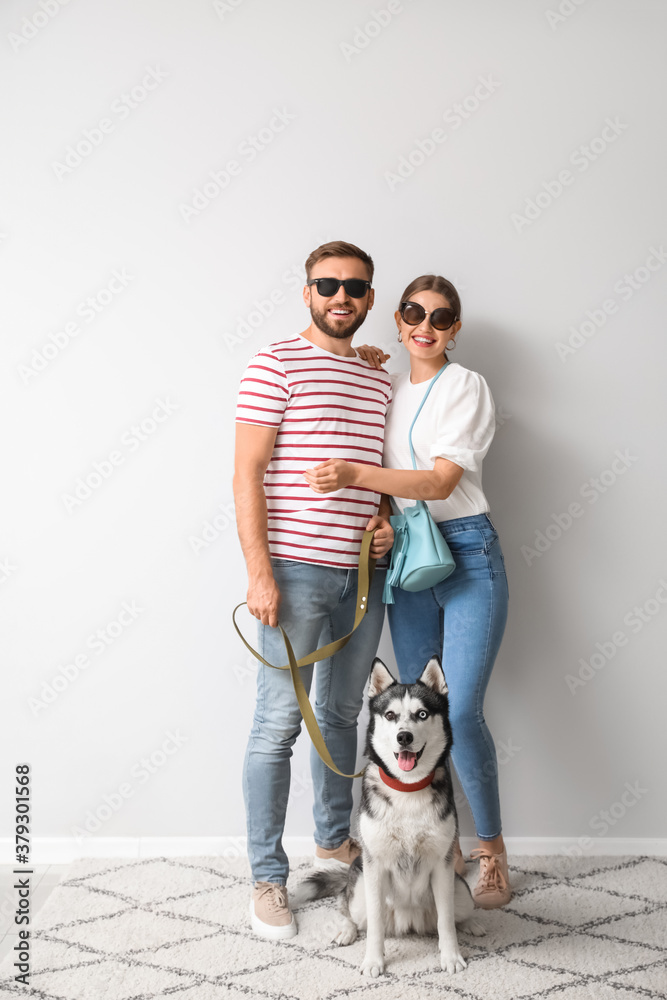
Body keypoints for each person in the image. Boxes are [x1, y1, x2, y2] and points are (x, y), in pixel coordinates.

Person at [303, 273, 512, 909]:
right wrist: (385, 521)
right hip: (411, 564)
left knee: (461, 710)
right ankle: (432, 852)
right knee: (412, 712)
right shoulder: (386, 387)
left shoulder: (466, 386)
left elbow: (441, 482)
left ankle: (491, 854)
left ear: (455, 329)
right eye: (414, 313)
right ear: (396, 319)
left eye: (441, 317)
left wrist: (355, 475)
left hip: (468, 554)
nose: (426, 326)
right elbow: (394, 492)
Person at [233, 240, 395, 940]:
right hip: (293, 575)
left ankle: (333, 842)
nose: (340, 297)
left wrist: (384, 522)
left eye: (354, 288)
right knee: (277, 725)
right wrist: (259, 572)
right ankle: (267, 878)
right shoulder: (274, 363)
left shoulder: (378, 379)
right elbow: (247, 472)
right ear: (306, 292)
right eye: (326, 285)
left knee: (339, 716)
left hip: (364, 576)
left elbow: (376, 470)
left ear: (367, 299)